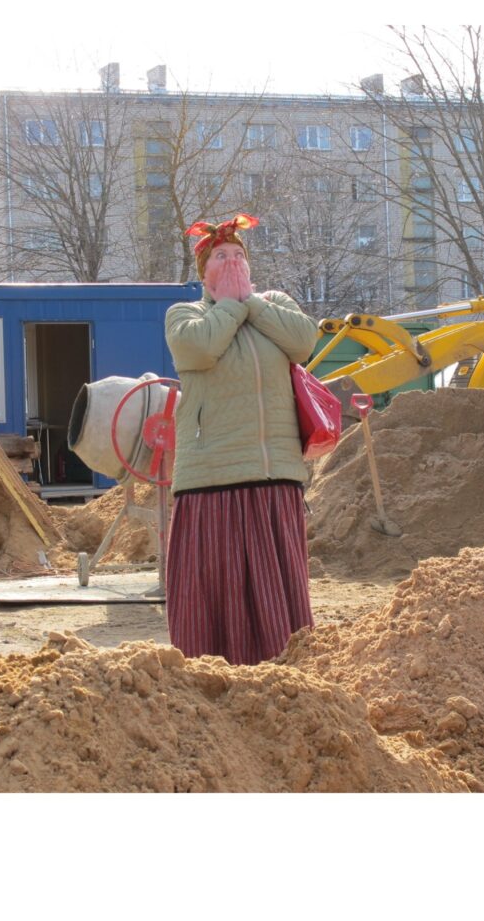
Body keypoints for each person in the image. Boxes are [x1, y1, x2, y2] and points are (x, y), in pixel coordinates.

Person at [164, 213, 319, 666]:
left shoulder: (274, 305)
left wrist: (250, 303)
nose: (231, 262)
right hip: (211, 478)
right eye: (219, 257)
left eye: (238, 256)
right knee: (213, 591)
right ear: (203, 274)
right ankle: (211, 683)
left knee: (276, 602)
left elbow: (304, 341)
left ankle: (284, 681)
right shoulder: (186, 315)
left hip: (275, 474)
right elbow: (199, 349)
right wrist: (230, 305)